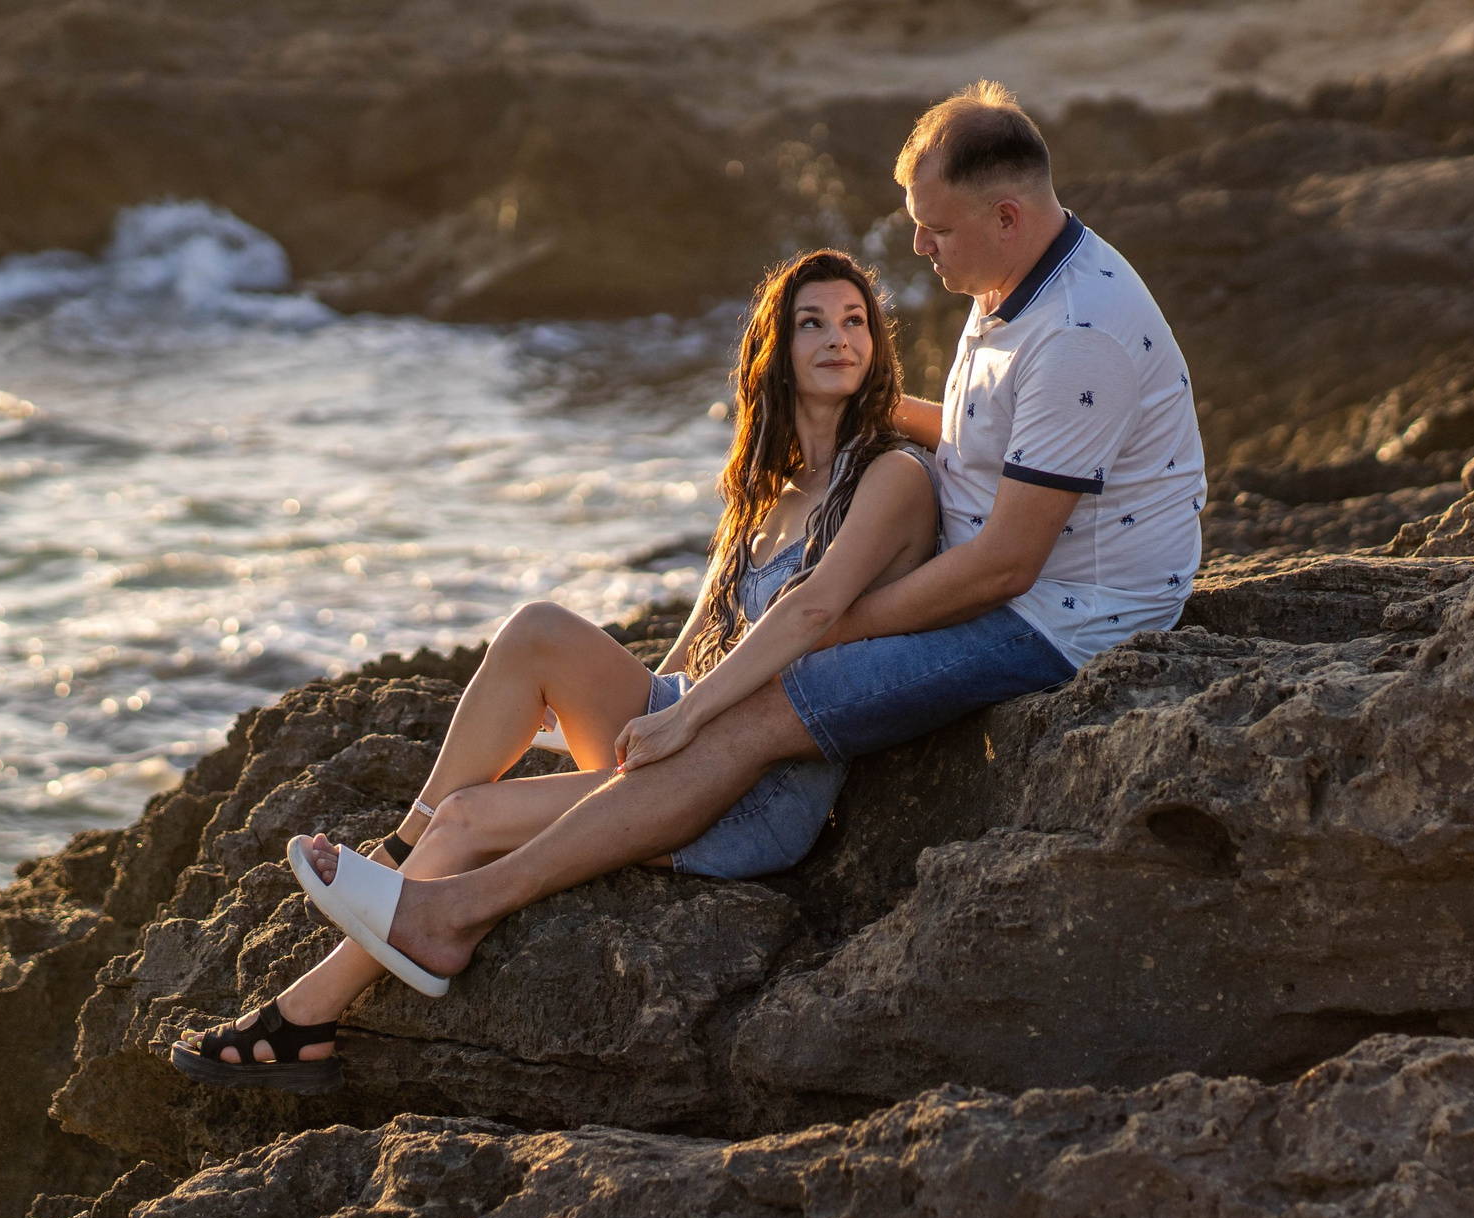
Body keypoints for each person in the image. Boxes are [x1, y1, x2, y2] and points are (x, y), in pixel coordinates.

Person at [270, 80, 1203, 1041]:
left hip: (1067, 615)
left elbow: (1007, 565)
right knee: (721, 667)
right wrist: (852, 404)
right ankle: (421, 858)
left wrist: (835, 622)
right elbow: (982, 435)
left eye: (937, 229)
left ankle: (451, 911)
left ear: (1007, 215)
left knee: (765, 697)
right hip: (1021, 576)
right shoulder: (1014, 276)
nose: (920, 248)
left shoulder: (1080, 332)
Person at [172, 248, 940, 1089]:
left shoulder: (893, 476)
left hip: (754, 781)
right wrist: (643, 716)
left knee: (472, 819)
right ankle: (402, 846)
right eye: (813, 323)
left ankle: (300, 1018)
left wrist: (680, 719)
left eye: (855, 321)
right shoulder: (766, 492)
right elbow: (688, 651)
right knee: (538, 628)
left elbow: (813, 610)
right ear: (778, 352)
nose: (838, 337)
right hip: (685, 732)